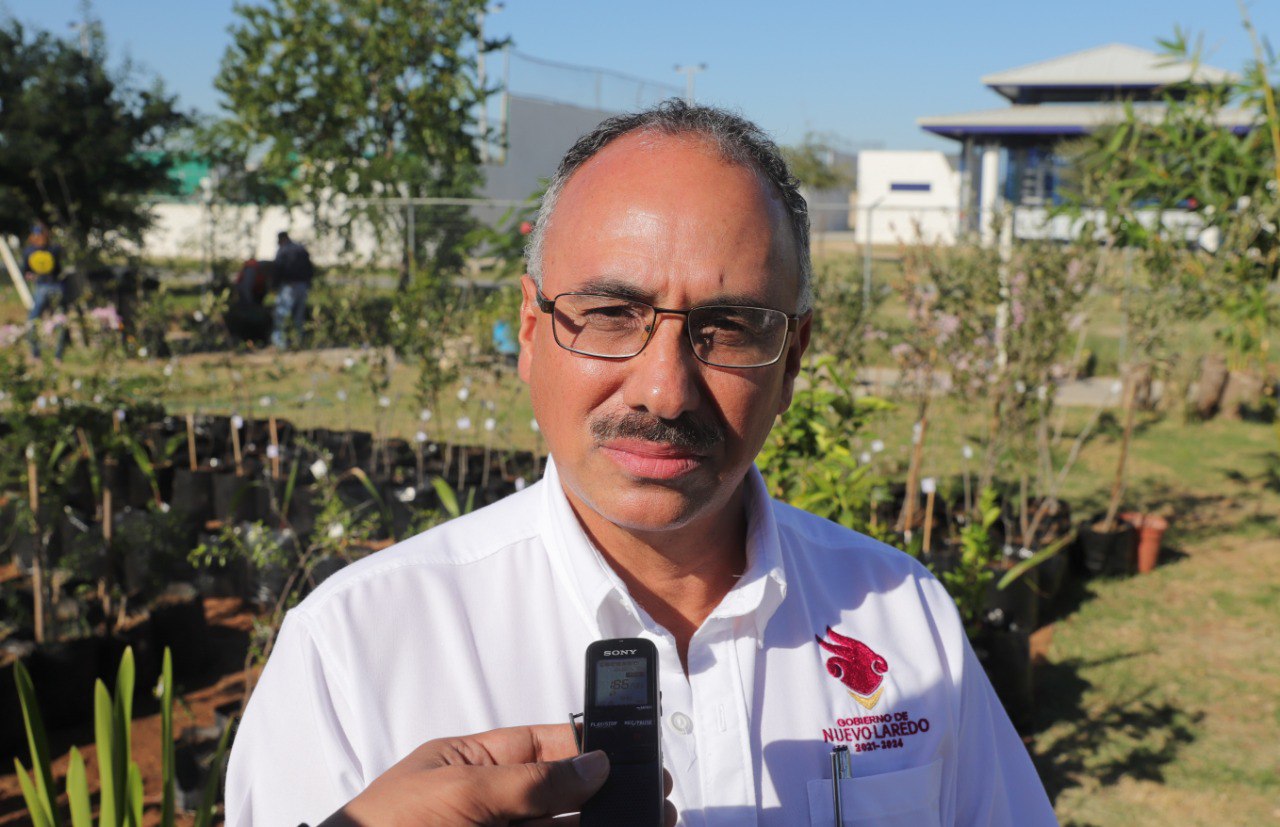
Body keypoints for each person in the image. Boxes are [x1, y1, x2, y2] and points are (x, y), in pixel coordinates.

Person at [227, 101, 1056, 826]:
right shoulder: (357, 652)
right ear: (528, 328)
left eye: (730, 325)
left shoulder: (903, 618)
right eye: (611, 313)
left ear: (793, 355)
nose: (664, 390)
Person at [22, 222, 69, 360]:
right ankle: (57, 356)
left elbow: (25, 272)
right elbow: (60, 269)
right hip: (55, 287)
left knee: (34, 322)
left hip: (43, 288)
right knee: (60, 320)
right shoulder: (54, 249)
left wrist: (31, 275)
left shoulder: (28, 251)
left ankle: (36, 354)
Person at [271, 231, 314, 349]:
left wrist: (274, 286)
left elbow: (278, 269)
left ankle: (280, 345)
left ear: (281, 239)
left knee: (282, 316)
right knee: (298, 318)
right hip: (302, 287)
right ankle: (298, 342)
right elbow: (310, 269)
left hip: (288, 287)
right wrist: (308, 284)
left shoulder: (283, 251)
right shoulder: (301, 249)